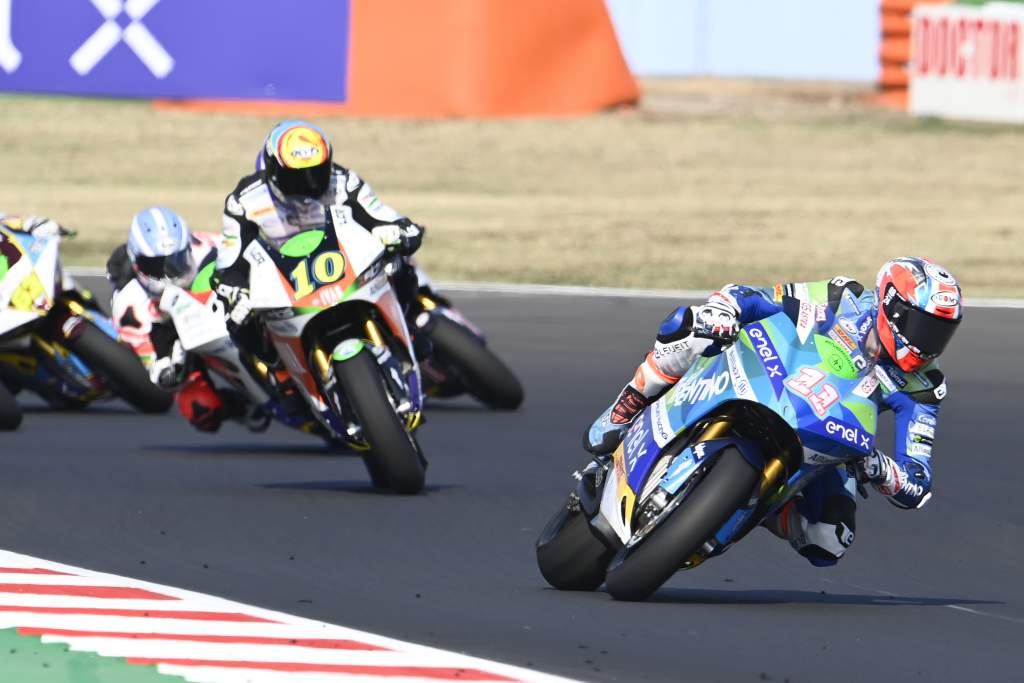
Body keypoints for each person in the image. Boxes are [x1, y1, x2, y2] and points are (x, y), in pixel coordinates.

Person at [585, 257, 962, 567]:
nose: (930, 344)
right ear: (893, 308)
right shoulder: (842, 297)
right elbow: (760, 298)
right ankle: (629, 403)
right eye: (925, 327)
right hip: (768, 375)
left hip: (828, 436)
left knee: (830, 538)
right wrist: (725, 310)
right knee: (691, 326)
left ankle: (760, 506)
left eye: (941, 333)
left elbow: (918, 480)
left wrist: (880, 469)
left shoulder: (923, 388)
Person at [213, 120, 427, 357]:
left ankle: (410, 323)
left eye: (316, 173)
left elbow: (376, 213)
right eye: (295, 178)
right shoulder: (244, 201)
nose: (308, 184)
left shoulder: (343, 181)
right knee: (237, 320)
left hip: (342, 264)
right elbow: (229, 260)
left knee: (397, 264)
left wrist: (400, 228)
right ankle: (277, 378)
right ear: (273, 172)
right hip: (286, 280)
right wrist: (234, 291)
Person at [107, 207, 270, 432]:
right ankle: (239, 406)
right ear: (136, 263)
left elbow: (255, 257)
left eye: (175, 259)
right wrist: (168, 369)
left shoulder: (209, 245)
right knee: (201, 409)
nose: (167, 273)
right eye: (154, 265)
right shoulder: (129, 304)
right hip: (180, 340)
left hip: (228, 304)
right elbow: (153, 362)